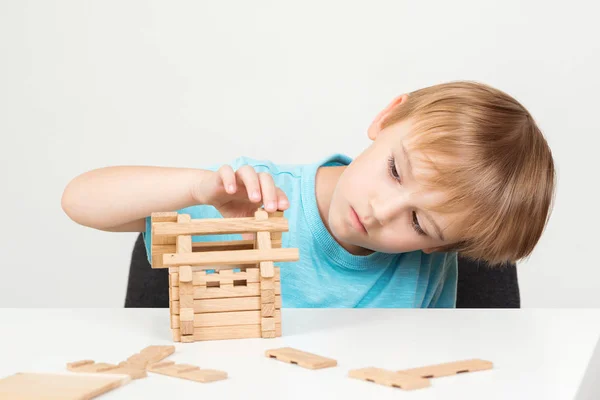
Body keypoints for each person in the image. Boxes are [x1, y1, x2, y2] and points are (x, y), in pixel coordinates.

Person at [61, 80, 556, 308]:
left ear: (439, 247)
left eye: (420, 223)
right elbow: (79, 200)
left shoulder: (434, 271)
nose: (382, 212)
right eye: (394, 171)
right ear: (386, 119)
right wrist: (196, 186)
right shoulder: (247, 196)